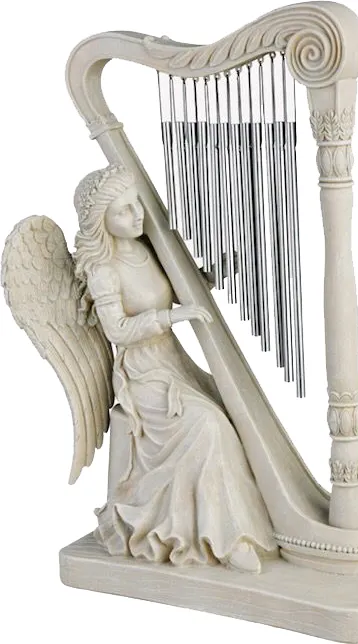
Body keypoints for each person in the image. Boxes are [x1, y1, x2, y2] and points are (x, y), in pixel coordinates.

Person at [73, 165, 277, 573]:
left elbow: (179, 290)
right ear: (100, 223)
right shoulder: (103, 271)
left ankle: (247, 523)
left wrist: (211, 276)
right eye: (122, 211)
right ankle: (221, 539)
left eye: (136, 203)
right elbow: (117, 330)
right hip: (143, 375)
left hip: (173, 361)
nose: (137, 215)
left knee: (230, 411)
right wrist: (170, 318)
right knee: (207, 425)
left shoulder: (150, 248)